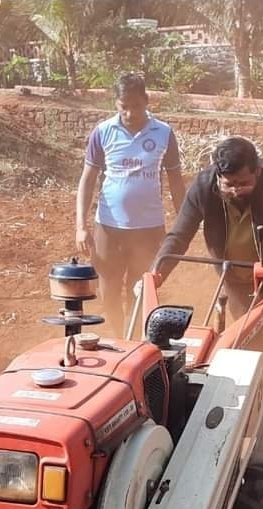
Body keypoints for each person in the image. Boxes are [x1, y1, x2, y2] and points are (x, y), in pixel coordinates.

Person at [154, 137, 263, 372]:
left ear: (258, 171)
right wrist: (155, 274)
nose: (235, 190)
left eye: (244, 183)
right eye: (229, 184)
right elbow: (179, 235)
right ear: (218, 175)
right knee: (251, 349)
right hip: (235, 278)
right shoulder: (204, 186)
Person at [75, 73, 185, 337]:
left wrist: (183, 225)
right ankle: (116, 335)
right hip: (108, 227)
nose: (129, 112)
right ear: (116, 104)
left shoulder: (164, 133)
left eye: (135, 106)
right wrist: (81, 226)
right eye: (124, 106)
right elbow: (87, 181)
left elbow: (176, 182)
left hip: (148, 228)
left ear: (146, 101)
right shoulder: (102, 132)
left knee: (141, 288)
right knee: (108, 289)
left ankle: (135, 340)